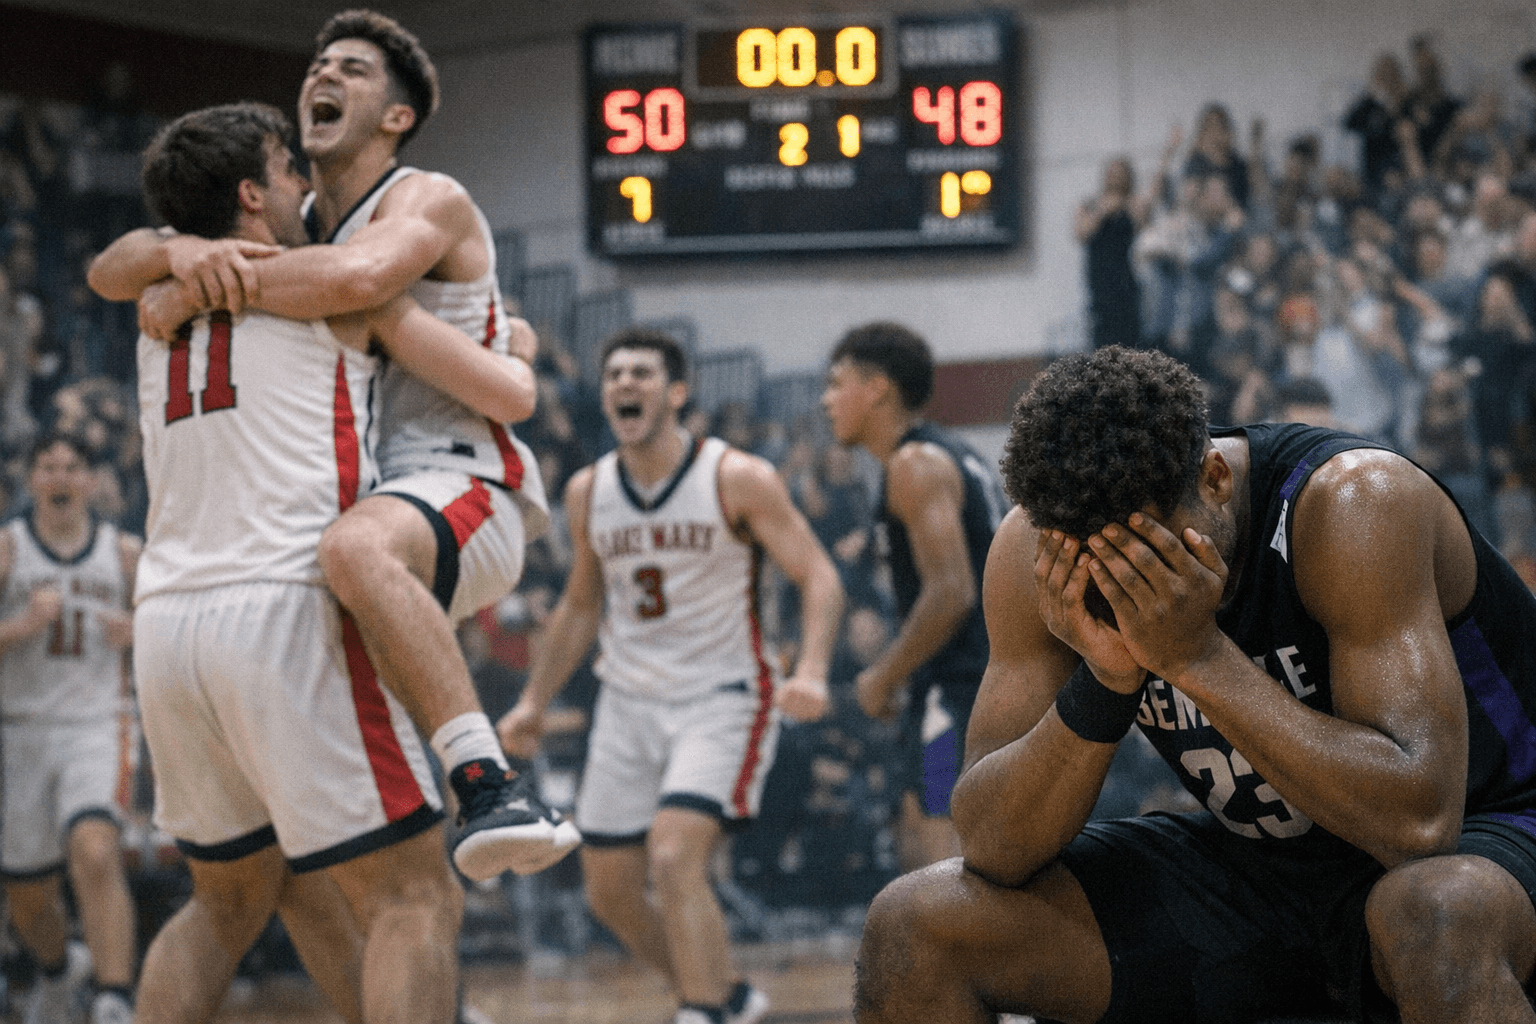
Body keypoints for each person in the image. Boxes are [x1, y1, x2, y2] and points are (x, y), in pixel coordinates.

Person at [855, 344, 1536, 1024]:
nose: (1125, 581)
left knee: (1434, 910)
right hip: (1268, 868)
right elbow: (993, 845)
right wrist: (1105, 681)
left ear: (1213, 477)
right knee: (914, 927)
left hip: (1493, 832)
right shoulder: (1034, 554)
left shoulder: (1352, 502)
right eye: (1100, 563)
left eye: (1150, 549)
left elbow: (1418, 824)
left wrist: (1198, 658)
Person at [86, 9, 576, 883]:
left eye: (352, 69)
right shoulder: (297, 220)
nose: (324, 75)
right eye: (319, 64)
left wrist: (193, 287)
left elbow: (375, 296)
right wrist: (186, 250)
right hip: (369, 513)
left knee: (350, 548)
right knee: (363, 870)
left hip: (462, 483)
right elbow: (111, 265)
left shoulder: (425, 198)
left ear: (396, 116)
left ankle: (493, 782)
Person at [127, 102, 537, 1024]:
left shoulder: (152, 305)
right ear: (250, 192)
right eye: (286, 170)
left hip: (166, 625)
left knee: (222, 904)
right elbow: (503, 391)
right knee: (412, 897)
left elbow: (119, 266)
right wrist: (513, 348)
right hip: (283, 609)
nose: (304, 187)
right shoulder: (329, 283)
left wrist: (169, 259)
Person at [498, 328, 845, 1024]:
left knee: (675, 855)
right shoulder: (589, 489)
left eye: (643, 374)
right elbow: (580, 604)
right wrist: (534, 700)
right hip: (626, 700)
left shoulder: (737, 477)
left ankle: (702, 1011)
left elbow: (818, 574)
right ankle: (724, 996)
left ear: (678, 393)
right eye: (615, 374)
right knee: (610, 892)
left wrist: (809, 669)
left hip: (722, 695)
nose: (625, 383)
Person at [820, 322, 1008, 870]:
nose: (827, 400)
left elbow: (952, 594)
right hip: (967, 680)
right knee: (914, 836)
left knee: (948, 859)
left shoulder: (914, 465)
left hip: (962, 685)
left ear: (876, 387)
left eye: (837, 384)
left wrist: (883, 675)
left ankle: (989, 959)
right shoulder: (941, 454)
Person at [0, 432, 139, 1024]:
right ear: (31, 480)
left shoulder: (125, 553)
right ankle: (60, 972)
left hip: (97, 726)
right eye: (47, 466)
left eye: (71, 467)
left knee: (94, 847)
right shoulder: (8, 549)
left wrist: (141, 630)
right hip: (20, 729)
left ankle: (113, 998)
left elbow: (172, 629)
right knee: (29, 898)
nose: (59, 477)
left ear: (89, 482)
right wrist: (20, 627)